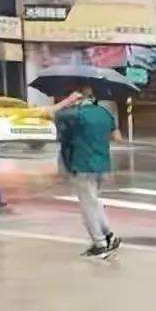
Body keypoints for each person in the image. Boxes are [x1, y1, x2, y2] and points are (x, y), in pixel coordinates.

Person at [49, 87, 122, 258]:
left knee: (87, 206)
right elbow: (117, 137)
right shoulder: (104, 113)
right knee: (94, 201)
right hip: (102, 163)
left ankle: (99, 243)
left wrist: (66, 102)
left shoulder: (75, 114)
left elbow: (48, 113)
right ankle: (108, 235)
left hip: (82, 164)